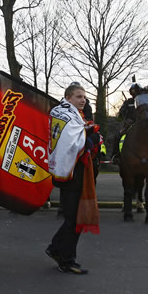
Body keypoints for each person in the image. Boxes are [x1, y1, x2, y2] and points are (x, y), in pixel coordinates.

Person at [46, 82, 100, 275]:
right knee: (74, 219)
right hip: (72, 174)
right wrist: (91, 140)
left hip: (66, 171)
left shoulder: (61, 112)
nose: (83, 100)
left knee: (72, 218)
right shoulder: (69, 116)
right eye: (78, 96)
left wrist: (87, 131)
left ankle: (57, 250)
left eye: (84, 97)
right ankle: (65, 258)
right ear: (68, 98)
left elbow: (71, 138)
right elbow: (73, 144)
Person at [111, 83, 148, 164]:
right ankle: (115, 155)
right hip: (130, 123)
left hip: (144, 122)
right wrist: (123, 113)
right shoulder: (128, 102)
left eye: (134, 90)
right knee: (117, 136)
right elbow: (120, 115)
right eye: (132, 91)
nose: (133, 92)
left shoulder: (144, 102)